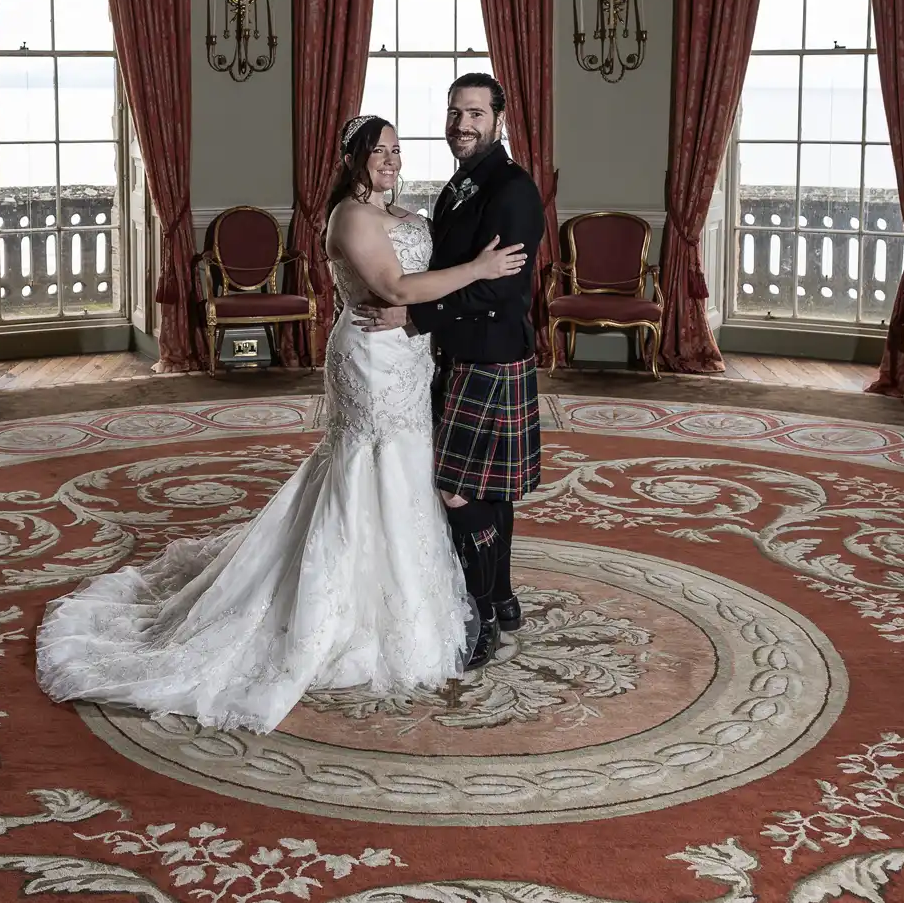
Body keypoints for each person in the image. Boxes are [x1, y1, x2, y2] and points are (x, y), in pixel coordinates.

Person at [34, 114, 527, 733]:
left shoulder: (407, 215)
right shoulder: (350, 217)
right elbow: (393, 286)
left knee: (408, 467)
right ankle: (347, 614)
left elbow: (420, 285)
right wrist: (479, 273)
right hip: (371, 357)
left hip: (409, 357)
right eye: (378, 152)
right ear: (354, 161)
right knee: (369, 466)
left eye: (397, 151)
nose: (391, 161)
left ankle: (420, 600)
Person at [355, 73, 545, 671]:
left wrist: (417, 317)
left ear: (499, 120)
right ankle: (505, 598)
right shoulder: (461, 185)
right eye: (454, 112)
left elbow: (503, 286)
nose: (461, 124)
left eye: (475, 114)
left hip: (491, 354)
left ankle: (484, 613)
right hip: (459, 354)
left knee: (459, 489)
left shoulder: (513, 189)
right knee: (487, 489)